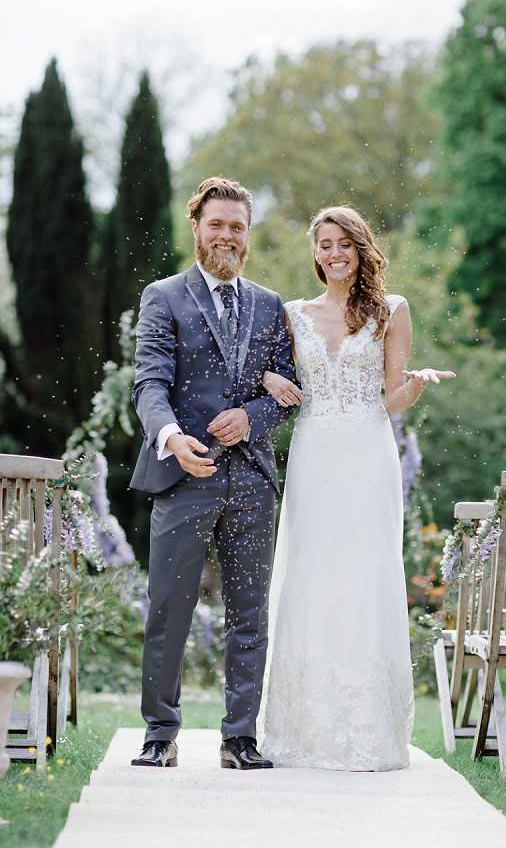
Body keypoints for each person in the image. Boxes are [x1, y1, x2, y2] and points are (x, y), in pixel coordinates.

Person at [258, 206, 455, 771]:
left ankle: (368, 732)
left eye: (343, 242)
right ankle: (302, 731)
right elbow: (273, 376)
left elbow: (388, 398)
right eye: (324, 244)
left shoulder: (393, 310)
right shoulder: (292, 314)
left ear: (361, 247)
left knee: (365, 577)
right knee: (312, 576)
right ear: (314, 253)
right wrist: (271, 377)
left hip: (368, 456)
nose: (334, 253)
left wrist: (413, 389)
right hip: (315, 454)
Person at [129, 177, 296, 771]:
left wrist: (252, 416)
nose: (227, 235)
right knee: (168, 607)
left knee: (250, 611)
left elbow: (286, 392)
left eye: (237, 227)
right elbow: (148, 382)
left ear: (247, 234)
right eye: (217, 224)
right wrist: (172, 438)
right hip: (184, 473)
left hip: (252, 479)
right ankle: (159, 733)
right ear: (196, 227)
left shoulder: (272, 305)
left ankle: (240, 737)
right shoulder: (163, 296)